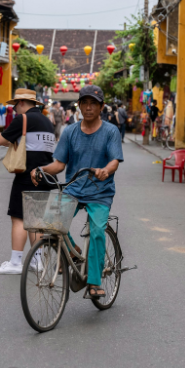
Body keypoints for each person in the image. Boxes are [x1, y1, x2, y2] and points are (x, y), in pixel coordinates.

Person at [30, 85, 124, 299]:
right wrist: (40, 170)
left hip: (100, 191)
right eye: (85, 103)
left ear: (101, 107)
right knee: (50, 220)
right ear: (79, 105)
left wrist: (105, 170)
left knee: (97, 230)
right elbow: (59, 165)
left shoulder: (110, 131)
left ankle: (94, 281)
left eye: (93, 103)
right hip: (74, 187)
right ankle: (73, 251)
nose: (89, 107)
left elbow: (115, 161)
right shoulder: (70, 131)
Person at [0, 89, 56, 275]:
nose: (14, 109)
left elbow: (3, 140)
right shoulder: (47, 122)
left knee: (19, 218)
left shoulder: (23, 119)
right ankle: (38, 261)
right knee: (36, 220)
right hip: (45, 175)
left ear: (21, 103)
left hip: (27, 175)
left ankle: (15, 262)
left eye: (15, 105)